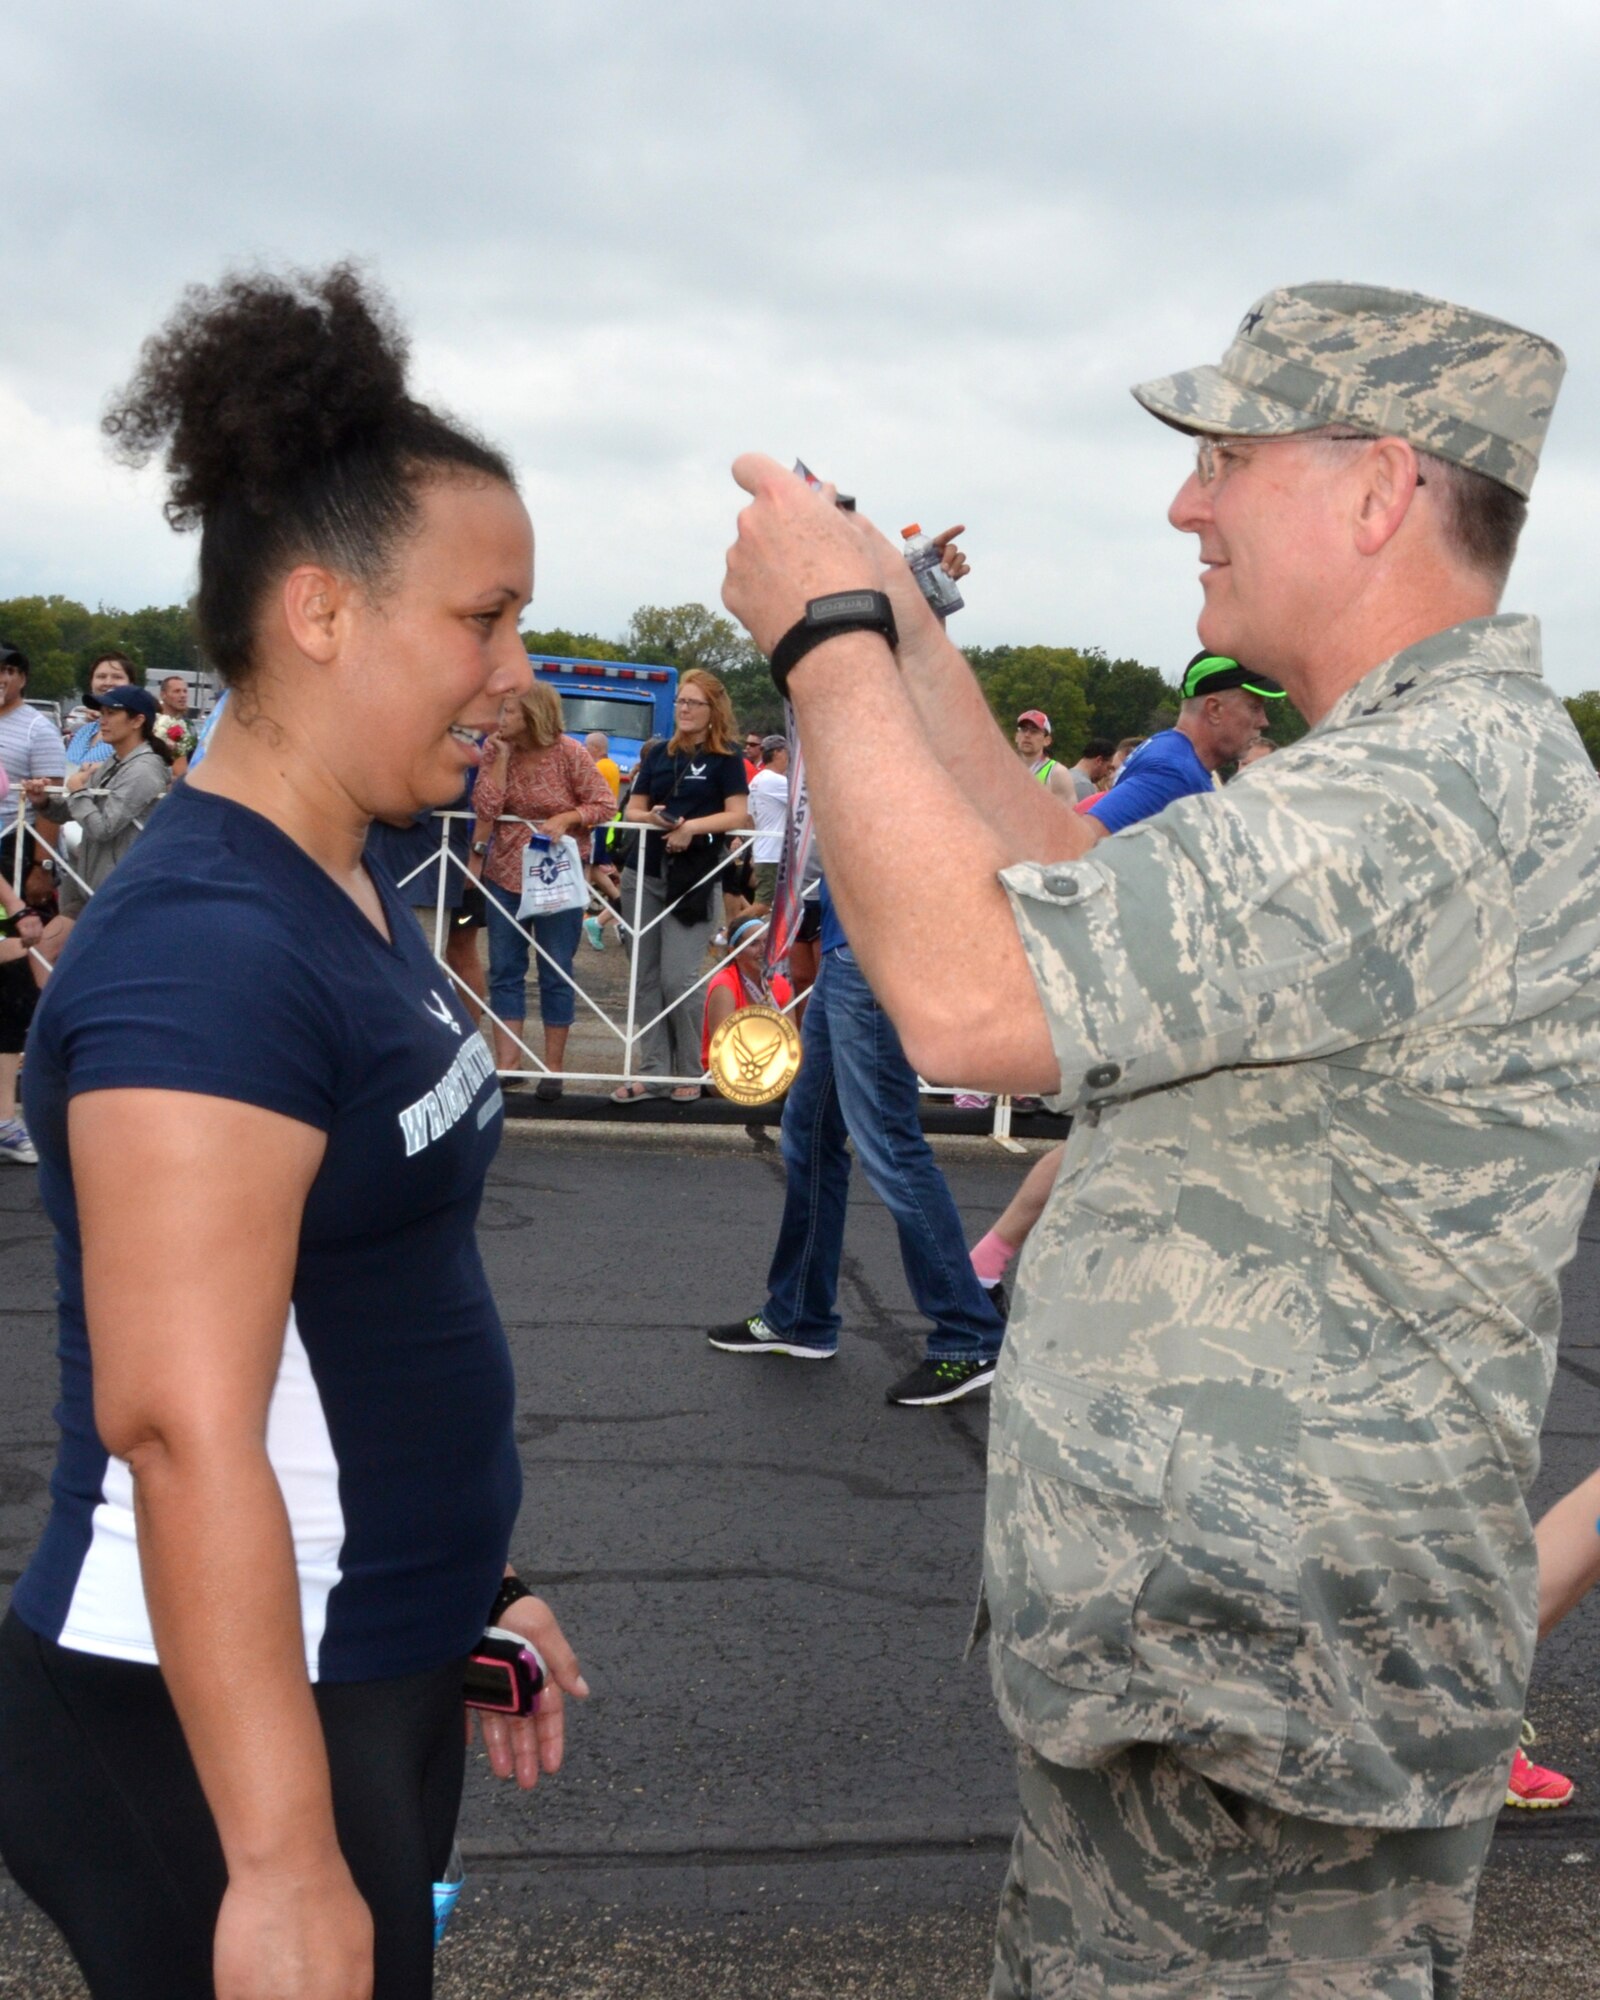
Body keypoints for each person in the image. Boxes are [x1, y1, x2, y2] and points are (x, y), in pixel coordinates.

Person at [721, 281, 1600, 1998]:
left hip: (1278, 1719)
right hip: (1233, 1695)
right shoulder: (1410, 771)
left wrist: (823, 643)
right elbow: (1060, 877)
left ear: (1378, 492)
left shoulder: (1421, 796)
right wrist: (910, 633)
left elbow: (976, 1001)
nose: (1184, 505)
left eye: (1225, 461)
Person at [0, 262, 586, 2000]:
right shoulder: (203, 957)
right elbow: (181, 1429)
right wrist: (275, 1867)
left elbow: (371, 1306)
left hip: (356, 1647)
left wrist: (485, 1577)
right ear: (322, 612)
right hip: (204, 1711)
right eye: (484, 620)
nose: (515, 670)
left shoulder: (345, 873)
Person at [707, 874, 1007, 1405]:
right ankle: (799, 1314)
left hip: (875, 945)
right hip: (854, 944)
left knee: (889, 1143)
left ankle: (968, 1334)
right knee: (810, 1130)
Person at [469, 683, 615, 1102]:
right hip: (505, 872)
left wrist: (568, 816)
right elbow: (486, 808)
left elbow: (603, 804)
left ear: (533, 715)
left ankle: (554, 1069)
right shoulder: (496, 751)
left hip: (556, 877)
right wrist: (499, 763)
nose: (502, 719)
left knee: (555, 970)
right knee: (505, 970)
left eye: (509, 712)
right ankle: (508, 1065)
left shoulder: (569, 752)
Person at [613, 669, 749, 1103]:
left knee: (679, 977)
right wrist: (653, 819)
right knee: (646, 978)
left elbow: (737, 816)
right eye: (681, 702)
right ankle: (654, 1071)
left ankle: (691, 1068)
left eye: (694, 703)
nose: (684, 709)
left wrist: (690, 828)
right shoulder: (657, 755)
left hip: (695, 878)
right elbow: (631, 811)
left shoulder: (726, 757)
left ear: (713, 712)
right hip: (645, 873)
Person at [1082, 650, 1280, 834]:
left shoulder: (1168, 747)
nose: (1264, 721)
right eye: (1254, 708)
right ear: (1214, 709)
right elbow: (1081, 839)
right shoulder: (1173, 773)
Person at [41, 685, 170, 917]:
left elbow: (103, 828)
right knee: (43, 951)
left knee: (46, 951)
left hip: (122, 896)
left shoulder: (145, 769)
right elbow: (73, 810)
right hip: (92, 889)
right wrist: (42, 801)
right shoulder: (114, 761)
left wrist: (78, 790)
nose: (103, 720)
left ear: (137, 720)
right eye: (102, 713)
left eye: (111, 713)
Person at [701, 914, 794, 1075]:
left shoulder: (781, 984)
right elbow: (722, 1048)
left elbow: (792, 1040)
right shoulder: (725, 984)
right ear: (734, 952)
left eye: (766, 942)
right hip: (726, 1070)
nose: (763, 950)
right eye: (754, 944)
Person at [63, 651, 137, 775]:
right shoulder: (84, 731)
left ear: (131, 685)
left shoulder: (133, 734)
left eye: (117, 677)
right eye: (101, 677)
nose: (108, 682)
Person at [746, 733, 789, 912]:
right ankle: (726, 934)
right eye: (788, 753)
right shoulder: (777, 781)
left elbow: (750, 818)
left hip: (764, 849)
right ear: (778, 753)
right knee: (763, 904)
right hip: (774, 852)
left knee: (771, 905)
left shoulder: (757, 779)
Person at [1012, 709, 1077, 800]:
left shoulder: (1057, 773)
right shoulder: (1005, 767)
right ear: (1016, 737)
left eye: (1034, 731)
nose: (1027, 735)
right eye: (1023, 730)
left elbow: (1068, 811)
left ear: (1047, 740)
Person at [151, 672, 199, 776]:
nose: (182, 695)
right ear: (163, 695)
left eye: (185, 691)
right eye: (177, 691)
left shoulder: (189, 725)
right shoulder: (152, 722)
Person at [1065, 736, 1114, 801]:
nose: (1107, 774)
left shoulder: (1067, 776)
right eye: (1108, 767)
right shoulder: (1083, 785)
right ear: (1099, 761)